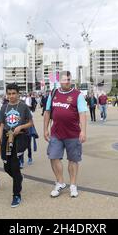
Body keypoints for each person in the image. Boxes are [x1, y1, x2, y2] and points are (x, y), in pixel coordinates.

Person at [44, 71, 88, 199]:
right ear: (60, 81)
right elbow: (47, 112)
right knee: (53, 157)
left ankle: (73, 185)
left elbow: (82, 114)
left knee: (73, 160)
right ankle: (60, 182)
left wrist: (83, 131)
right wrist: (45, 129)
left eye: (69, 79)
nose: (67, 81)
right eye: (64, 79)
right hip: (56, 133)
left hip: (73, 134)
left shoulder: (77, 95)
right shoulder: (53, 94)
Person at [0, 83, 33, 208]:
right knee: (7, 167)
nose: (11, 96)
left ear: (18, 94)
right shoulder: (4, 107)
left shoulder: (23, 107)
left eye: (14, 93)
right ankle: (19, 178)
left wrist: (21, 126)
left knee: (15, 165)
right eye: (9, 93)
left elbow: (30, 123)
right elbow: (1, 125)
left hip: (19, 138)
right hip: (7, 138)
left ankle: (16, 194)